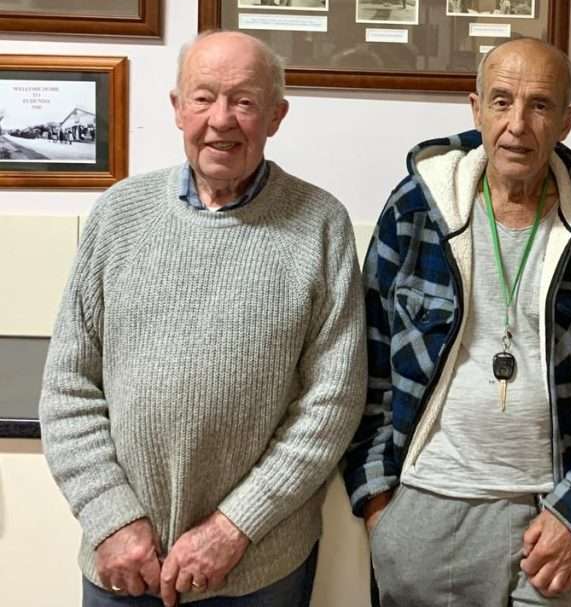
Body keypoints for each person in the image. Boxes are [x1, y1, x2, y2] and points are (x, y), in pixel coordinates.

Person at [40, 30, 368, 607]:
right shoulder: (118, 215)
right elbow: (68, 387)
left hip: (259, 565)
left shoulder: (321, 225)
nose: (221, 119)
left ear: (276, 115)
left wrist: (232, 528)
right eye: (203, 98)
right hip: (124, 563)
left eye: (244, 101)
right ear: (176, 109)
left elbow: (332, 402)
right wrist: (113, 519)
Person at [344, 37, 571, 607]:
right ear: (475, 108)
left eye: (540, 106)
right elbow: (365, 362)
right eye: (501, 101)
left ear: (567, 121)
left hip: (555, 515)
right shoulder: (416, 210)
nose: (517, 124)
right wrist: (378, 506)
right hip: (425, 507)